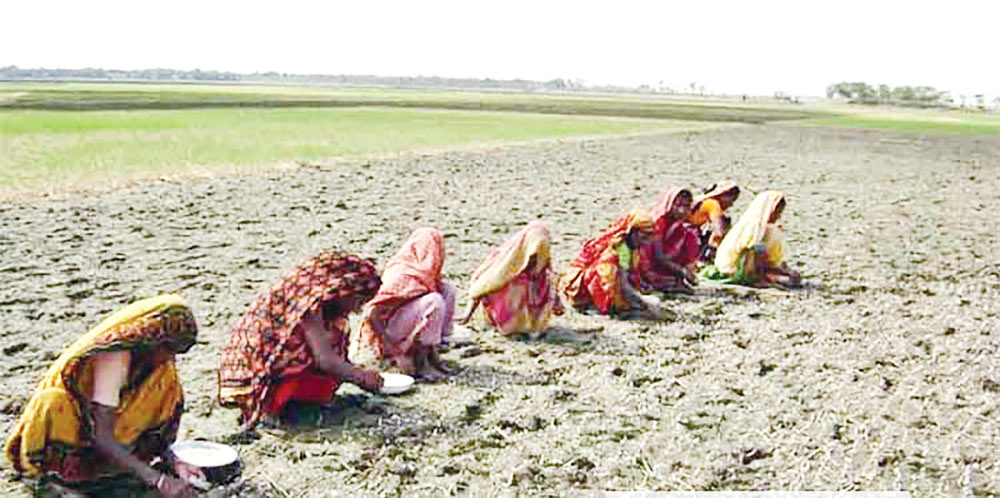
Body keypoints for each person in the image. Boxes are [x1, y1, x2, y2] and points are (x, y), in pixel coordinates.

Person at [5, 295, 199, 498]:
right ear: (150, 336)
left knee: (166, 384)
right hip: (78, 432)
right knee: (53, 402)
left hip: (108, 437)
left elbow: (158, 413)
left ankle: (117, 468)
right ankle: (53, 480)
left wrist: (172, 459)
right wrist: (158, 480)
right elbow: (102, 436)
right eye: (167, 348)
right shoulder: (114, 355)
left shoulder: (158, 364)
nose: (168, 358)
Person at [218, 251, 384, 430]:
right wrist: (362, 377)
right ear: (344, 290)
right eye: (359, 301)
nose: (358, 310)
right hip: (261, 375)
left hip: (268, 370)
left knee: (336, 344)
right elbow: (325, 360)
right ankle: (277, 410)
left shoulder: (322, 307)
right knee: (332, 362)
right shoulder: (307, 306)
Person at [358, 228, 456, 380]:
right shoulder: (404, 272)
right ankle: (421, 363)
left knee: (448, 290)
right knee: (434, 301)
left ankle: (431, 354)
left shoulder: (426, 273)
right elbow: (372, 313)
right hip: (388, 330)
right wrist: (391, 347)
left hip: (403, 320)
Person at [558, 209, 672, 319]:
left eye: (649, 236)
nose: (646, 240)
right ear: (632, 231)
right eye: (644, 235)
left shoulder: (632, 248)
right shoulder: (617, 249)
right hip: (583, 287)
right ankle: (597, 305)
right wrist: (640, 300)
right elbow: (618, 281)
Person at [460, 220, 564, 336]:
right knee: (518, 285)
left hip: (532, 314)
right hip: (504, 312)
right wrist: (467, 315)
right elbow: (480, 287)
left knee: (546, 280)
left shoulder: (542, 268)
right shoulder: (506, 261)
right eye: (533, 256)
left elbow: (552, 286)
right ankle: (511, 326)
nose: (535, 260)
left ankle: (531, 326)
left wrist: (557, 303)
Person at [703, 190, 802, 288]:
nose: (778, 215)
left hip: (760, 266)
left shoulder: (770, 230)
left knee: (792, 279)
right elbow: (752, 250)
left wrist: (786, 270)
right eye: (776, 211)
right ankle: (756, 279)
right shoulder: (753, 227)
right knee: (757, 249)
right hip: (739, 267)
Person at [639, 186, 701, 292]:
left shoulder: (678, 225)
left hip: (662, 261)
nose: (682, 210)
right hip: (645, 263)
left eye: (686, 206)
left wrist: (688, 269)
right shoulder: (659, 221)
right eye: (678, 205)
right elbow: (659, 256)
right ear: (669, 204)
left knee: (690, 235)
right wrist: (682, 271)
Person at [688, 182, 740, 261]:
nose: (731, 205)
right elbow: (719, 232)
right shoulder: (713, 205)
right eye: (731, 200)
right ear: (723, 195)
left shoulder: (708, 202)